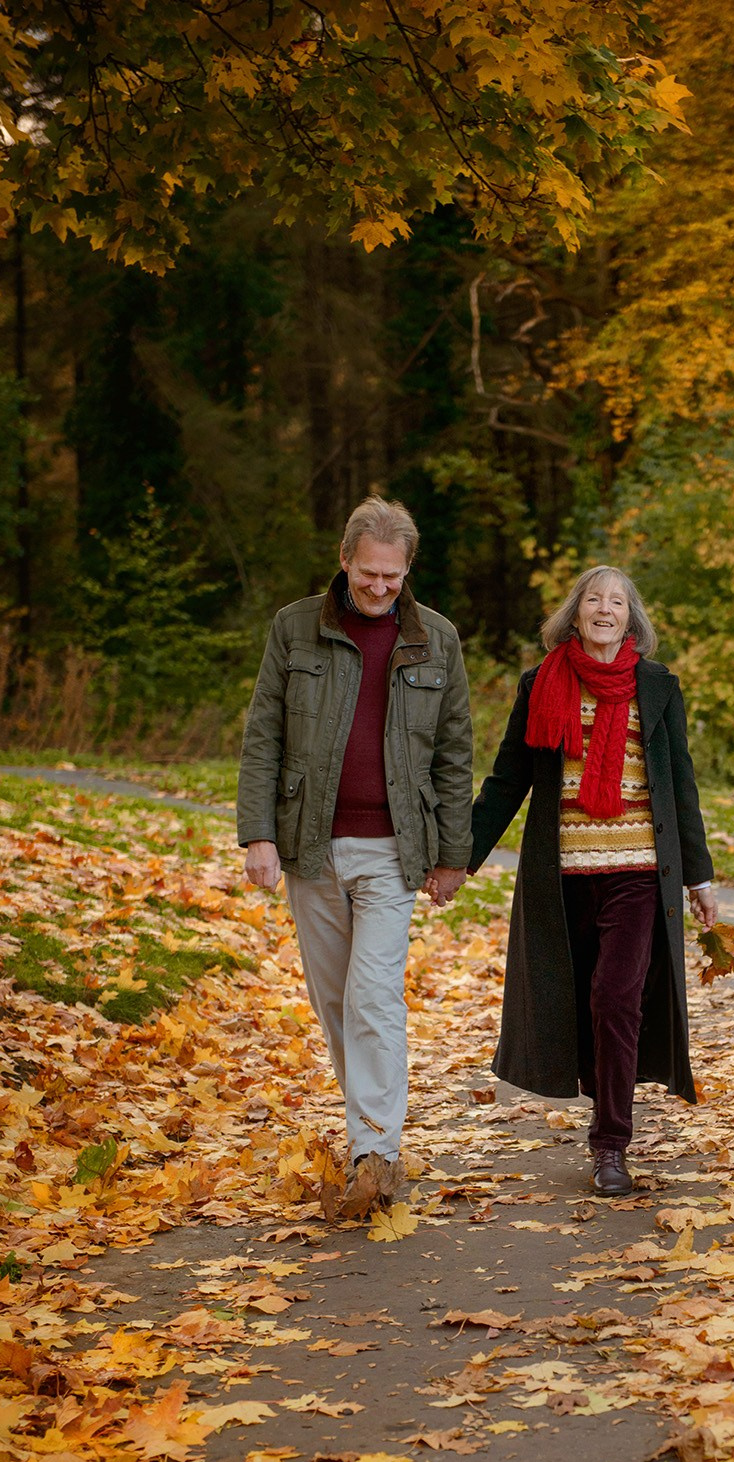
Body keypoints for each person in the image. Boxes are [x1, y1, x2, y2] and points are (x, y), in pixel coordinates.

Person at [236, 495, 472, 1214]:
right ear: (345, 562)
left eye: (392, 578)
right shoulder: (295, 629)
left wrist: (453, 853)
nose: (378, 588)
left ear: (407, 572)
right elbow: (263, 736)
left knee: (373, 996)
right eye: (368, 574)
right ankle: (368, 1127)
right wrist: (258, 834)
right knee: (335, 1001)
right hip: (311, 846)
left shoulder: (438, 640)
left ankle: (376, 1151)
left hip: (394, 852)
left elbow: (454, 755)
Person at [468, 566, 717, 1196]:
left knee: (616, 999)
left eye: (617, 602)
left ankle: (611, 1145)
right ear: (575, 614)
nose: (605, 610)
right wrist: (457, 856)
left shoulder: (658, 688)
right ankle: (598, 1102)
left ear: (632, 618)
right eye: (593, 600)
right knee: (575, 1002)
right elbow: (508, 780)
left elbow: (679, 786)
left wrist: (698, 876)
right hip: (562, 878)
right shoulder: (542, 684)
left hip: (636, 874)